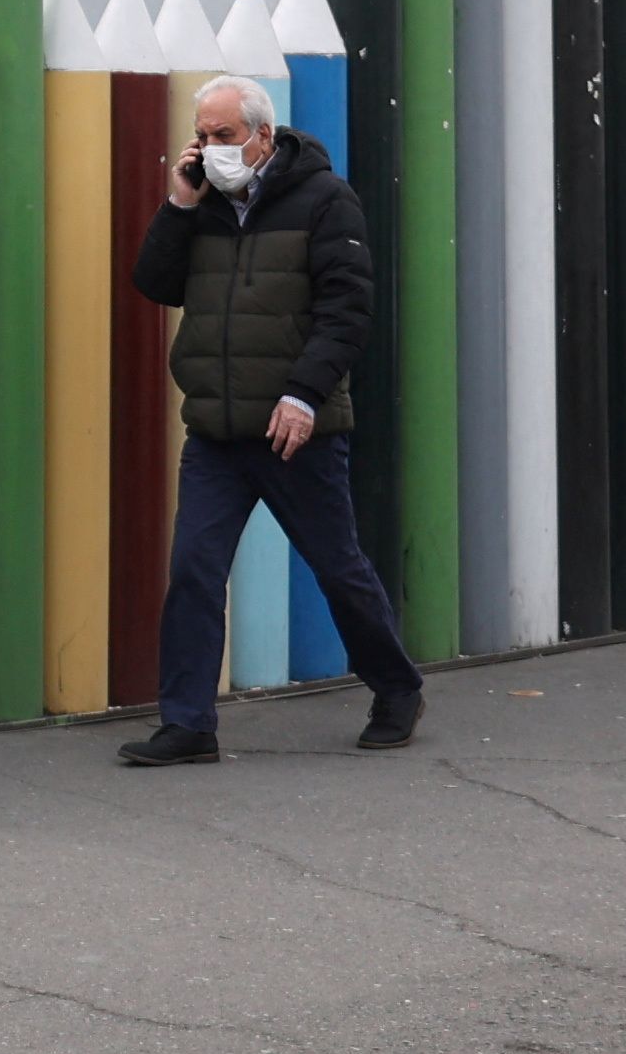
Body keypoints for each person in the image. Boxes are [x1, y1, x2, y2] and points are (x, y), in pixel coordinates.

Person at [118, 72, 432, 766]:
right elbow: (155, 283)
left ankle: (396, 687)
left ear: (262, 136)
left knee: (337, 567)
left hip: (296, 429)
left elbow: (347, 310)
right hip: (217, 428)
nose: (210, 148)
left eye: (223, 136)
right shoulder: (200, 204)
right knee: (195, 570)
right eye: (201, 137)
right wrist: (178, 204)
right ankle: (188, 723)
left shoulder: (325, 200)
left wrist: (304, 395)